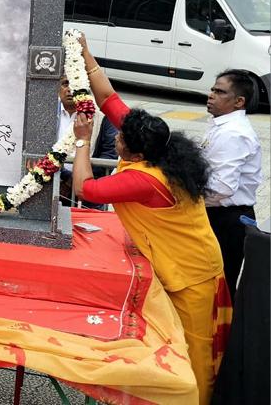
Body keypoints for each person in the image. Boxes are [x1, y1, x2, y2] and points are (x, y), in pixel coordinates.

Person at [70, 37, 225, 405]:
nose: (116, 137)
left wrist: (82, 140)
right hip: (182, 265)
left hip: (192, 276)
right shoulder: (155, 143)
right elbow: (108, 99)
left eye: (120, 137)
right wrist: (84, 52)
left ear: (135, 152)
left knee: (193, 355)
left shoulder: (146, 179)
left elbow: (84, 188)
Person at [201, 70, 262, 297]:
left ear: (239, 101)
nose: (211, 95)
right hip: (219, 214)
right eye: (212, 89)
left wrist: (188, 199)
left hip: (226, 219)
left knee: (220, 288)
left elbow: (222, 188)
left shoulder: (233, 133)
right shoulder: (221, 125)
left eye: (220, 92)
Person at [56, 75, 117, 208]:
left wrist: (77, 180)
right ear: (58, 87)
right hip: (53, 185)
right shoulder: (45, 111)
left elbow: (109, 155)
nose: (70, 89)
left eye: (75, 84)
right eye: (65, 84)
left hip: (88, 193)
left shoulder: (102, 116)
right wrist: (64, 176)